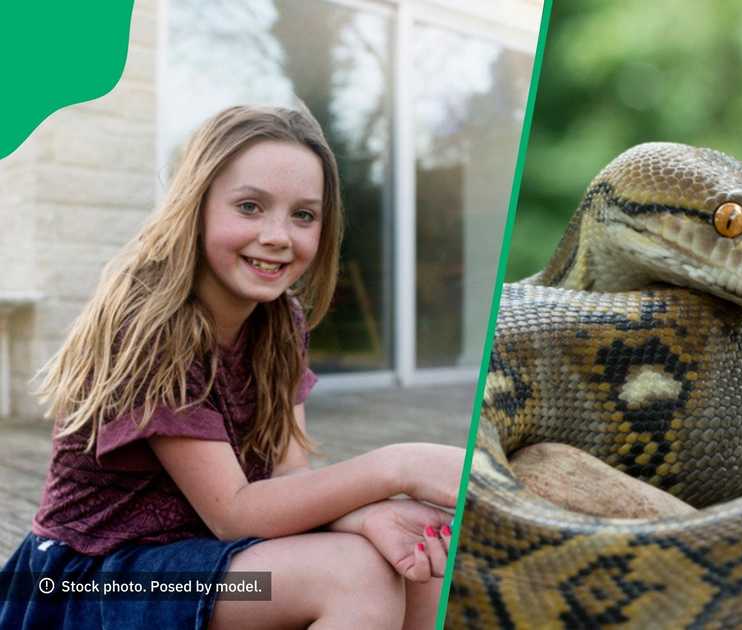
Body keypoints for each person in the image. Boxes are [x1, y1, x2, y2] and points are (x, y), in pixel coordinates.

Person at [0, 104, 465, 629]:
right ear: (195, 206)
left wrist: (367, 517)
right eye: (249, 207)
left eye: (304, 215)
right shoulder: (151, 322)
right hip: (92, 583)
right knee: (353, 575)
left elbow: (289, 476)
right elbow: (234, 512)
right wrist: (399, 466)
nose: (277, 235)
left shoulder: (279, 319)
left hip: (198, 559)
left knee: (418, 559)